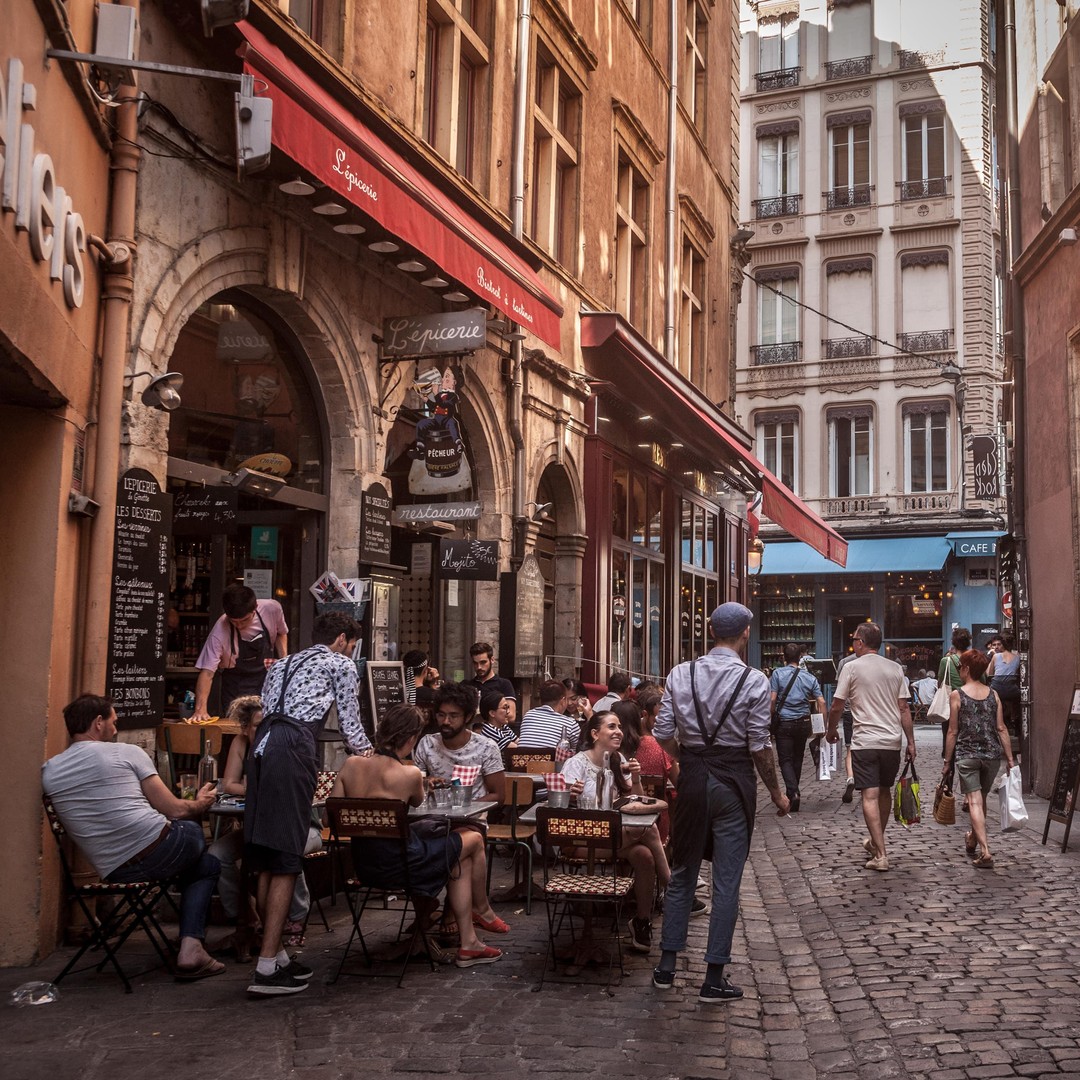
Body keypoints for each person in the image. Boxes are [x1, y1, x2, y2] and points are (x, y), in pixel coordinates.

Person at [652, 603, 789, 1002]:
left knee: (683, 872)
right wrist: (777, 793)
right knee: (726, 881)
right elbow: (759, 745)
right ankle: (713, 976)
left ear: (711, 631)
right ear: (745, 633)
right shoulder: (753, 680)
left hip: (693, 777)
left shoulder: (680, 672)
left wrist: (690, 755)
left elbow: (662, 734)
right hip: (733, 780)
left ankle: (666, 967)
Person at [42, 695, 224, 980]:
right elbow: (175, 809)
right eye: (113, 722)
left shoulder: (50, 771)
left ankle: (191, 947)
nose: (115, 729)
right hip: (157, 852)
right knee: (196, 841)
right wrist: (201, 801)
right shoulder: (126, 753)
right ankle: (191, 946)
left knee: (204, 866)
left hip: (114, 870)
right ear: (98, 723)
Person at [244, 611, 371, 996]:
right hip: (293, 747)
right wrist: (375, 757)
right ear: (343, 640)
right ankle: (266, 967)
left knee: (267, 856)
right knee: (285, 858)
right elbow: (351, 724)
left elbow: (265, 712)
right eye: (351, 644)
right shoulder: (340, 663)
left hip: (262, 748)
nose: (351, 650)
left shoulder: (281, 663)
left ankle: (277, 954)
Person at [331, 704, 503, 967]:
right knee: (474, 839)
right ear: (411, 739)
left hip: (363, 864)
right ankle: (480, 912)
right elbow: (419, 802)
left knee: (460, 855)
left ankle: (469, 942)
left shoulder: (351, 765)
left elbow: (329, 818)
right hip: (405, 864)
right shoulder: (409, 773)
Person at [208, 696, 321, 948]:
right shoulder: (241, 744)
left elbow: (243, 786)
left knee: (284, 849)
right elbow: (228, 784)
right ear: (245, 729)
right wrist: (253, 788)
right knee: (217, 853)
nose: (264, 730)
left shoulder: (282, 746)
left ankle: (296, 918)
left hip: (305, 829)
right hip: (256, 826)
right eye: (258, 726)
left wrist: (251, 788)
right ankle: (244, 917)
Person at [561, 711, 671, 954]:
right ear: (594, 733)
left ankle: (642, 922)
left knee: (644, 855)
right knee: (648, 829)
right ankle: (672, 890)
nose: (619, 731)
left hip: (612, 836)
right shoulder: (576, 764)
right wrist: (570, 795)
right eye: (612, 726)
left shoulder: (617, 759)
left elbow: (635, 799)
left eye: (620, 726)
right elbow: (557, 805)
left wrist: (637, 776)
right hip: (581, 839)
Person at [827, 622, 915, 873]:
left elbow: (836, 705)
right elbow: (904, 708)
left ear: (861, 643)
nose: (853, 642)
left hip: (865, 741)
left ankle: (881, 854)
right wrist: (911, 741)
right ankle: (877, 844)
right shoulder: (895, 668)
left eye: (854, 638)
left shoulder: (851, 667)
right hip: (891, 741)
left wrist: (831, 730)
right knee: (884, 791)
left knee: (869, 795)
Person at [942, 649, 1014, 869]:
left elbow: (952, 731)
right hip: (992, 756)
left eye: (960, 668)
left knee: (974, 801)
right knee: (980, 800)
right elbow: (1001, 728)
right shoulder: (993, 694)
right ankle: (972, 839)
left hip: (967, 756)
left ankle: (985, 851)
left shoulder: (957, 694)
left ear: (965, 669)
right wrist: (1010, 759)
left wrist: (947, 762)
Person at [192, 583, 288, 721]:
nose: (239, 625)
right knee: (238, 729)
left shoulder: (272, 609)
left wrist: (283, 662)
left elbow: (281, 633)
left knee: (265, 726)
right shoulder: (220, 631)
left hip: (266, 679)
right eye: (234, 622)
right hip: (235, 684)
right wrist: (200, 710)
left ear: (255, 609)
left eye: (244, 620)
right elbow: (207, 673)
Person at [412, 682, 505, 802]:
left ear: (467, 717)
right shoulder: (427, 743)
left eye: (453, 716)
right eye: (441, 715)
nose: (446, 721)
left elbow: (498, 796)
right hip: (433, 817)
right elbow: (415, 789)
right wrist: (425, 783)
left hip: (471, 818)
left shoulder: (487, 747)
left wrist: (465, 809)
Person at [769, 643, 826, 813]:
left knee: (785, 759)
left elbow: (772, 700)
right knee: (797, 758)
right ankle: (793, 792)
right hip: (803, 723)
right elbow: (821, 702)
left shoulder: (777, 674)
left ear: (783, 657)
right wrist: (821, 727)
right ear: (800, 658)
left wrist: (769, 716)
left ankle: (793, 793)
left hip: (784, 722)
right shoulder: (809, 677)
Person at [631, 688, 679, 844]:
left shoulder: (628, 740)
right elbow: (679, 782)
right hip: (655, 814)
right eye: (658, 720)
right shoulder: (660, 746)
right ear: (645, 715)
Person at [517, 680, 581, 748]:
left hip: (522, 758)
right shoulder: (570, 723)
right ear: (562, 701)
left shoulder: (528, 715)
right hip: (552, 758)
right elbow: (580, 750)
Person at [987, 632, 1021, 744]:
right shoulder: (1017, 658)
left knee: (991, 705)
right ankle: (1016, 720)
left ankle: (993, 726)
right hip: (1011, 690)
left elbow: (989, 673)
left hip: (997, 689)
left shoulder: (996, 656)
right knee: (1020, 699)